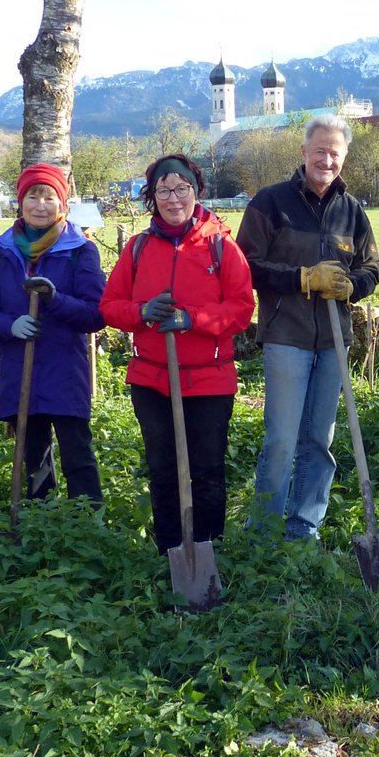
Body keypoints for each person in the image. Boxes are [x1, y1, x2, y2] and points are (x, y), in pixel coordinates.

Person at [237, 113, 379, 540]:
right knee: (281, 439)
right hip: (286, 336)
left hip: (333, 340)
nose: (327, 159)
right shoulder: (271, 201)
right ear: (303, 152)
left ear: (344, 158)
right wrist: (300, 278)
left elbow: (371, 268)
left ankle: (304, 525)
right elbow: (246, 265)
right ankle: (263, 530)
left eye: (335, 152)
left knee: (320, 438)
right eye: (320, 150)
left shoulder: (352, 211)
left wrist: (350, 285)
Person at [100, 154, 254, 552]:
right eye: (163, 190)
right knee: (164, 470)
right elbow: (109, 306)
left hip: (209, 379)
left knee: (206, 470)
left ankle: (207, 550)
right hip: (152, 379)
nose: (173, 199)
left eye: (181, 188)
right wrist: (141, 312)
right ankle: (169, 550)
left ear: (196, 191)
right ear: (151, 197)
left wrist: (193, 319)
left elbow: (241, 309)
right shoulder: (138, 248)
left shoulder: (222, 247)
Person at [0, 163, 106, 505]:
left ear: (62, 204)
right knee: (34, 457)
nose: (41, 205)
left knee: (77, 453)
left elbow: (96, 313)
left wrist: (55, 300)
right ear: (21, 201)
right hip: (20, 371)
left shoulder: (79, 250)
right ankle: (38, 525)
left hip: (65, 371)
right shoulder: (3, 251)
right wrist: (10, 326)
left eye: (49, 197)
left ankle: (88, 526)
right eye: (33, 196)